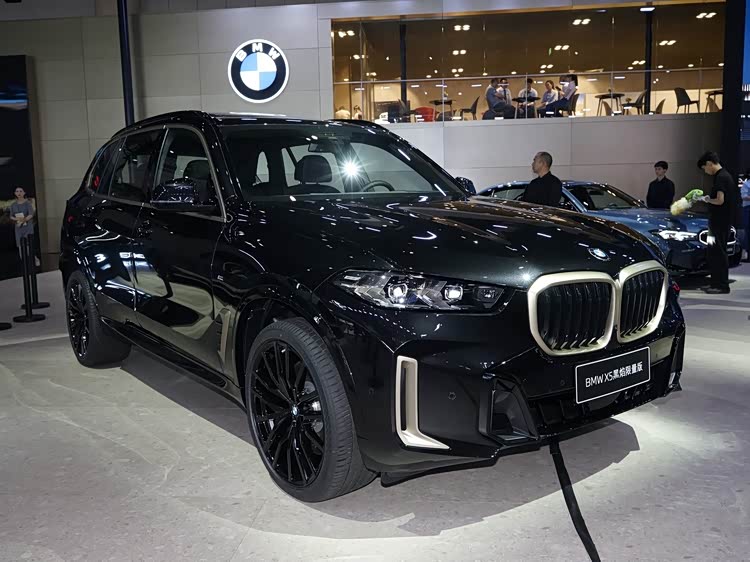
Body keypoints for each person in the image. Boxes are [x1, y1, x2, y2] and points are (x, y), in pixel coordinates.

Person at [696, 151, 741, 294]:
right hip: (717, 221)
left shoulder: (721, 177)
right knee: (713, 252)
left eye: (704, 168)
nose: (705, 171)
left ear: (709, 163)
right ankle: (715, 283)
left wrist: (707, 199)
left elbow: (720, 200)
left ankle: (721, 285)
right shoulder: (723, 176)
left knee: (718, 252)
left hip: (720, 222)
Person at [9, 186, 35, 259]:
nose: (19, 193)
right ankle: (23, 259)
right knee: (20, 244)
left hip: (27, 226)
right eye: (17, 191)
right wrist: (16, 219)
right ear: (15, 193)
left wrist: (23, 220)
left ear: (24, 193)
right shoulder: (13, 205)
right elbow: (11, 216)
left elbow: (31, 214)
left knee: (28, 244)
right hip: (18, 227)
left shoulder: (28, 203)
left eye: (21, 191)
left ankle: (32, 259)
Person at [740, 172, 750, 261]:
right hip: (748, 208)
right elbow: (744, 196)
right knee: (748, 230)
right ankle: (748, 254)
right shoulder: (746, 184)